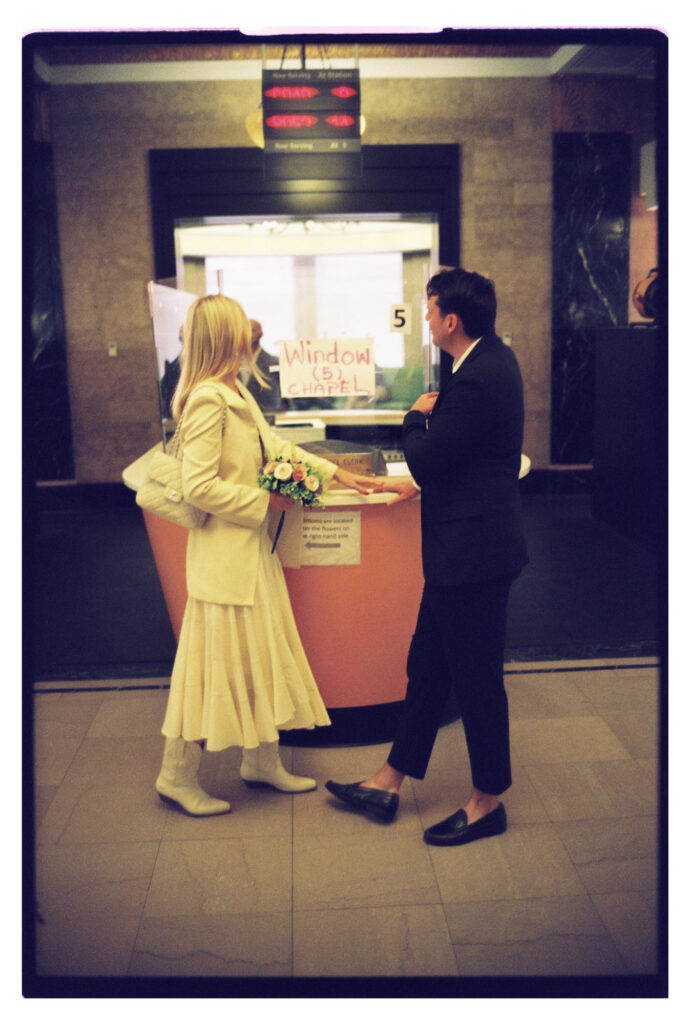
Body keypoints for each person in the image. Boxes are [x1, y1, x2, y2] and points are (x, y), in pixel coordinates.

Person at [326, 268, 528, 846]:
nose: (425, 317)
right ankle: (389, 780)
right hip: (461, 555)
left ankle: (488, 801)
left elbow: (427, 457)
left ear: (451, 321)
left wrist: (414, 415)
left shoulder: (476, 377)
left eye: (429, 308)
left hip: (474, 559)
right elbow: (469, 457)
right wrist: (414, 482)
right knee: (429, 667)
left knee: (477, 680)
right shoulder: (487, 361)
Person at [155, 294, 374, 816]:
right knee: (210, 669)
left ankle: (261, 762)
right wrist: (265, 501)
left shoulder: (234, 392)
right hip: (225, 561)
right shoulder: (209, 399)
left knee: (262, 657)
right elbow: (198, 486)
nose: (253, 342)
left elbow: (274, 446)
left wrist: (336, 472)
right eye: (242, 333)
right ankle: (175, 776)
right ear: (225, 337)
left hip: (251, 555)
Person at [241, 319, 284, 413]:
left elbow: (279, 395)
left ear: (261, 333)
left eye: (253, 330)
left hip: (266, 415)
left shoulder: (274, 362)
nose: (249, 334)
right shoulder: (233, 363)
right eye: (245, 330)